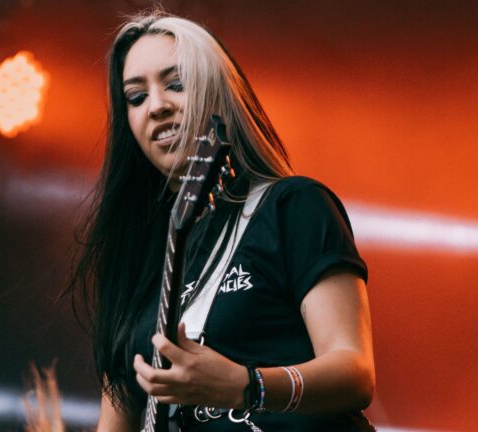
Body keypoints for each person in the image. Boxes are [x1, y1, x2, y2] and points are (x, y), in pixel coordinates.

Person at [68, 10, 375, 431]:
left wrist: (246, 386)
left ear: (218, 95)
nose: (156, 106)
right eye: (136, 97)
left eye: (176, 84)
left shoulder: (293, 207)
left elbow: (355, 373)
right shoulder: (135, 260)